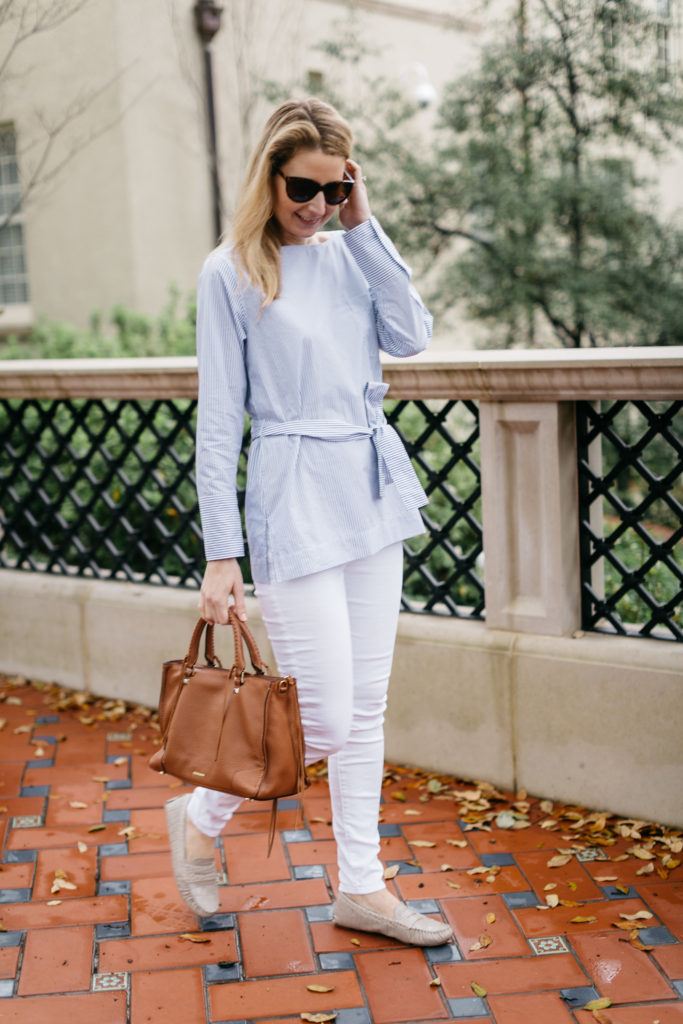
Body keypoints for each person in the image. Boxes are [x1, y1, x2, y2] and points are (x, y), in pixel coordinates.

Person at [165, 98, 453, 947]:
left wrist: (365, 229)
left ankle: (361, 887)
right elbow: (220, 422)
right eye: (303, 187)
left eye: (335, 189)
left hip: (367, 488)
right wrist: (224, 554)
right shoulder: (231, 272)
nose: (316, 206)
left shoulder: (346, 252)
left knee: (367, 709)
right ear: (269, 175)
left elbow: (411, 336)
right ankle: (201, 812)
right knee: (322, 714)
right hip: (292, 496)